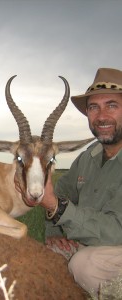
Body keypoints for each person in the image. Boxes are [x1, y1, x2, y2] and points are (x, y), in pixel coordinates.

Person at [40, 68, 122, 296]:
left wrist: (57, 208)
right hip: (101, 246)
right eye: (94, 107)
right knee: (45, 257)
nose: (101, 116)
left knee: (84, 264)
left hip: (111, 243)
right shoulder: (89, 157)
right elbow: (58, 192)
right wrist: (53, 232)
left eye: (112, 105)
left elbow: (116, 231)